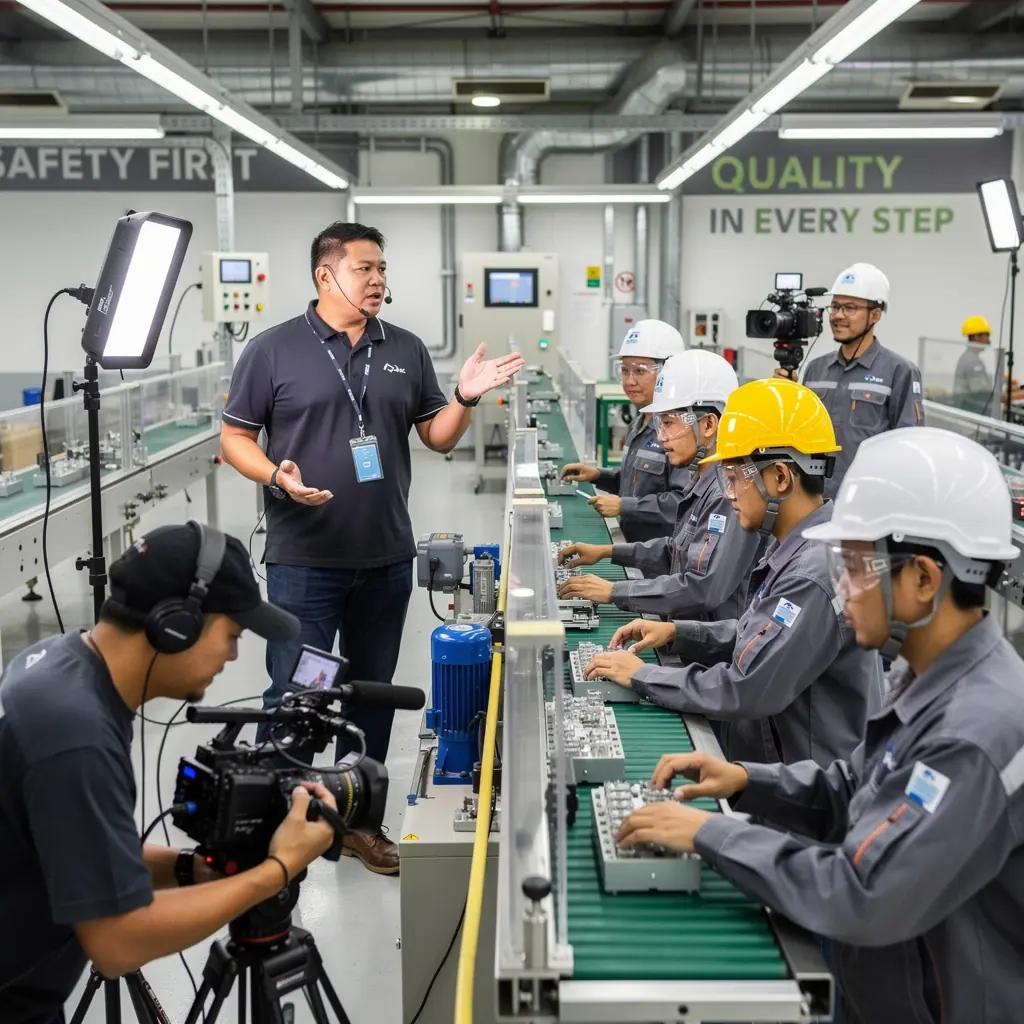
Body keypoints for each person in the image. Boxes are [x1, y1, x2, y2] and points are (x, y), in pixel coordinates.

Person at [613, 427, 1024, 1024]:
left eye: (856, 566)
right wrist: (744, 780)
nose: (840, 588)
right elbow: (855, 786)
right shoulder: (930, 674)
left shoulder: (974, 732)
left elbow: (865, 894)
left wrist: (710, 834)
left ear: (925, 580)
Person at [220, 222, 523, 875]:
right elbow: (234, 440)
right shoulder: (273, 351)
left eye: (382, 268)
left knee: (370, 692)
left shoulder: (405, 349)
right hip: (304, 559)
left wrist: (466, 396)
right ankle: (278, 825)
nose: (379, 279)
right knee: (293, 690)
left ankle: (357, 822)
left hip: (385, 555)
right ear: (326, 275)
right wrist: (275, 476)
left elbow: (437, 436)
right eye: (365, 269)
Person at [0, 523, 339, 1024]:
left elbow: (78, 843)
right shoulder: (78, 734)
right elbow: (115, 942)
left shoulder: (61, 665)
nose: (233, 655)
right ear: (176, 624)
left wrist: (193, 870)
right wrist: (277, 871)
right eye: (232, 634)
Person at [588, 379, 883, 768]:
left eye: (733, 478)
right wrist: (680, 633)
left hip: (805, 797)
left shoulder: (813, 573)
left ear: (780, 478)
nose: (727, 494)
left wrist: (644, 677)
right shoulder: (791, 543)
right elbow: (759, 636)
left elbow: (748, 687)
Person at [556, 350, 763, 622]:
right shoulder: (701, 480)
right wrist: (607, 551)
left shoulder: (728, 493)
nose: (662, 437)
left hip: (711, 656)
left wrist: (614, 591)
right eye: (659, 424)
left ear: (710, 424)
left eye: (668, 423)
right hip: (686, 637)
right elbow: (675, 552)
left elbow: (702, 589)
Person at [789, 262, 924, 499]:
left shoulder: (900, 371)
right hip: (814, 502)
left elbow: (909, 450)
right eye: (835, 306)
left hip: (867, 505)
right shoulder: (815, 369)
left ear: (875, 314)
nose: (838, 315)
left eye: (850, 308)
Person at [560, 319, 690, 544]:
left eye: (640, 371)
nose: (629, 381)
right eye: (624, 370)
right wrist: (599, 475)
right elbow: (639, 481)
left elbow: (682, 502)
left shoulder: (679, 430)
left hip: (661, 559)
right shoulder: (641, 420)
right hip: (633, 547)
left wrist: (623, 505)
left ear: (669, 371)